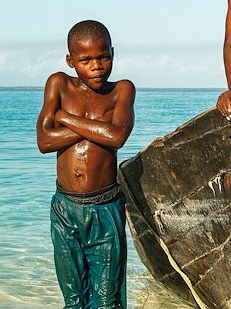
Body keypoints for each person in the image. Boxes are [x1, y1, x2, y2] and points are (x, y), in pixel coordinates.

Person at [36, 20, 135, 309]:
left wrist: (64, 118)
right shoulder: (59, 83)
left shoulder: (122, 90)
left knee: (106, 300)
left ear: (113, 53)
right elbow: (44, 141)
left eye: (104, 57)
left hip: (103, 208)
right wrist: (96, 125)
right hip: (65, 208)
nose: (97, 66)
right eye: (86, 60)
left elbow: (116, 136)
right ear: (71, 61)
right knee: (73, 298)